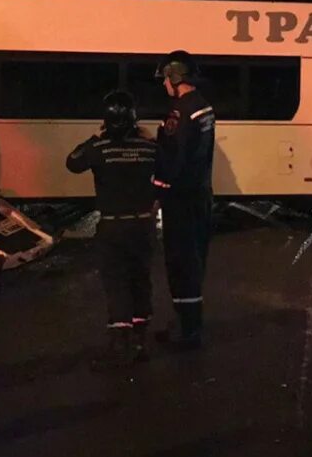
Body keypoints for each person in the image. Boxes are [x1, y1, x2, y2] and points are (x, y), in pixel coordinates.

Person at [66, 90, 158, 369]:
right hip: (143, 225)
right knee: (141, 280)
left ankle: (120, 345)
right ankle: (141, 342)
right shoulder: (149, 148)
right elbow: (168, 169)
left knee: (117, 282)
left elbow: (72, 162)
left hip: (113, 226)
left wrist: (97, 136)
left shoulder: (99, 148)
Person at [152, 51, 215, 350]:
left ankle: (187, 330)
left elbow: (172, 159)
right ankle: (190, 324)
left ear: (175, 78)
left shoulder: (179, 111)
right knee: (195, 260)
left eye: (165, 78)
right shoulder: (204, 107)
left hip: (180, 199)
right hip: (200, 195)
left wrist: (157, 191)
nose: (164, 84)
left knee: (179, 262)